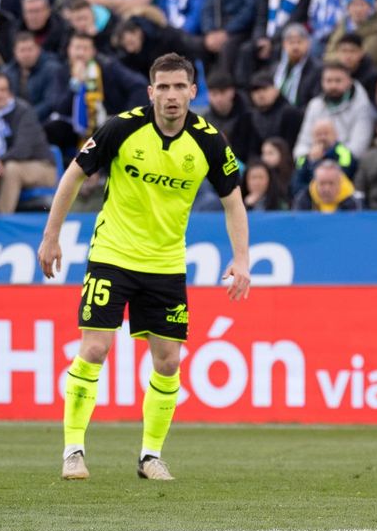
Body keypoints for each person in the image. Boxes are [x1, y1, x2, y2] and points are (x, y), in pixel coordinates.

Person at [38, 53, 249, 482]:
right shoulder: (122, 127)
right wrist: (51, 236)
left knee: (169, 362)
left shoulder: (210, 141)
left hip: (166, 263)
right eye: (163, 88)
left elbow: (234, 202)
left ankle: (151, 456)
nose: (171, 96)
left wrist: (242, 258)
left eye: (179, 87)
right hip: (112, 254)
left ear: (193, 91)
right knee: (95, 349)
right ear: (151, 92)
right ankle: (73, 450)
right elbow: (72, 177)